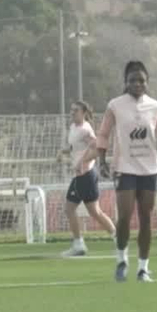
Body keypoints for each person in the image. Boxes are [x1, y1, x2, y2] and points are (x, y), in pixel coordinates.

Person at [80, 60, 157, 282]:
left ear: (147, 82)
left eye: (141, 80)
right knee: (124, 216)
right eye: (133, 80)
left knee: (146, 217)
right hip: (125, 168)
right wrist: (102, 160)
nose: (137, 84)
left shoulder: (156, 107)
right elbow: (103, 134)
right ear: (126, 82)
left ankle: (143, 268)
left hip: (150, 169)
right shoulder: (115, 105)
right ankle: (122, 259)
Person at [59, 100, 116, 257]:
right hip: (81, 177)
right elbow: (74, 147)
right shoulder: (73, 127)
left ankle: (79, 244)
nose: (72, 113)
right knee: (93, 212)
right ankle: (117, 238)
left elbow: (98, 149)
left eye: (76, 110)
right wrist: (63, 152)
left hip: (85, 176)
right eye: (71, 110)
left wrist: (83, 161)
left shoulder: (86, 129)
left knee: (73, 209)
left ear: (83, 113)